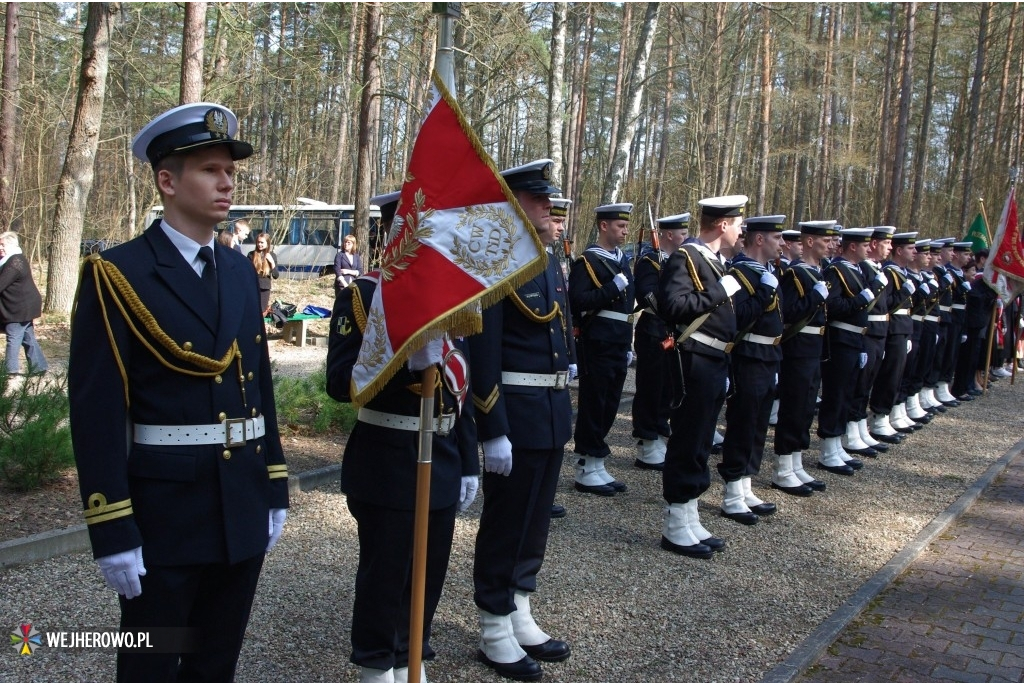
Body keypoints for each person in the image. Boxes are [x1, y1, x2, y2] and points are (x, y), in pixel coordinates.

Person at [68, 102, 289, 682]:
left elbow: (257, 386)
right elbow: (95, 412)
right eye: (210, 170)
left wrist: (274, 482)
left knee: (217, 661)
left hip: (239, 499)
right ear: (167, 181)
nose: (226, 183)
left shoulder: (240, 271)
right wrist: (111, 526)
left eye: (231, 171)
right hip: (165, 511)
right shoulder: (118, 274)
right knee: (155, 662)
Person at [326, 190, 479, 684]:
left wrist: (470, 458)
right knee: (386, 573)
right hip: (388, 457)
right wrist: (399, 357)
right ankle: (375, 666)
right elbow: (338, 381)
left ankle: (410, 660)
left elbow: (461, 386)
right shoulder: (364, 295)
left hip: (444, 450)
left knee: (429, 574)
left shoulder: (451, 297)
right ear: (396, 236)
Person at [469, 159, 575, 682]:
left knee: (533, 526)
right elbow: (483, 352)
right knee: (506, 524)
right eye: (539, 200)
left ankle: (519, 608)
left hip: (550, 412)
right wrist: (492, 428)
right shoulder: (497, 260)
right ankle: (493, 625)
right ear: (512, 202)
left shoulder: (548, 260)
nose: (548, 208)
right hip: (514, 413)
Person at [656, 194, 746, 559]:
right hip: (694, 360)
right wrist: (716, 292)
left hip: (713, 360)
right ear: (722, 224)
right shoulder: (686, 258)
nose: (742, 232)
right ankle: (675, 523)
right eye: (738, 225)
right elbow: (672, 306)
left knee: (702, 441)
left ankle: (689, 515)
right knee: (688, 439)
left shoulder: (713, 261)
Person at [717, 215, 787, 525]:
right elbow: (736, 318)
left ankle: (746, 484)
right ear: (759, 240)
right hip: (747, 356)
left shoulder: (767, 273)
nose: (783, 243)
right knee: (743, 423)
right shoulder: (741, 273)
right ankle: (732, 492)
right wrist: (763, 295)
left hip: (768, 355)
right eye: (777, 238)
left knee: (758, 425)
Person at [568, 202, 635, 496]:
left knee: (610, 402)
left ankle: (597, 461)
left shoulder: (622, 260)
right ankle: (585, 463)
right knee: (595, 402)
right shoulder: (588, 262)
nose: (625, 231)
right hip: (597, 341)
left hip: (619, 339)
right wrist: (613, 287)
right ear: (604, 226)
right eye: (620, 226)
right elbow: (578, 300)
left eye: (626, 226)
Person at [817, 227, 887, 475]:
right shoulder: (837, 270)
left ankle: (837, 445)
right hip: (840, 340)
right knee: (835, 395)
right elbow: (832, 306)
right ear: (853, 247)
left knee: (847, 393)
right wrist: (862, 298)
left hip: (855, 339)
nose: (870, 249)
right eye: (865, 245)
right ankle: (827, 448)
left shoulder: (857, 270)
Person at [771, 220, 834, 496]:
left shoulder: (818, 272)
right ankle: (783, 467)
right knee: (794, 406)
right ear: (810, 241)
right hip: (797, 348)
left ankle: (795, 462)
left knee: (807, 406)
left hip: (814, 346)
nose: (831, 244)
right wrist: (814, 298)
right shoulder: (795, 274)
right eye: (826, 240)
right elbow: (790, 313)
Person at [631, 213, 690, 471]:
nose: (685, 238)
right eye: (682, 233)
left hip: (671, 330)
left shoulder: (679, 261)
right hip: (654, 328)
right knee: (651, 386)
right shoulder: (649, 260)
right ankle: (647, 440)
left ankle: (659, 427)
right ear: (668, 234)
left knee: (668, 385)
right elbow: (647, 294)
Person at [0, 230, 49, 376]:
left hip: (19, 308)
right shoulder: (7, 260)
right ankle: (39, 367)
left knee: (13, 337)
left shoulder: (16, 261)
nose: (0, 248)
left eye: (2, 245)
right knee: (28, 337)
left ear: (11, 245)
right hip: (18, 306)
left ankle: (10, 371)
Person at [248, 232, 279, 316]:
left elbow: (276, 275)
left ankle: (260, 328)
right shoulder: (251, 255)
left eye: (262, 242)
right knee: (251, 311)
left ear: (267, 243)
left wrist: (272, 263)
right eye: (258, 242)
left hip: (264, 288)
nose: (259, 244)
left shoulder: (272, 255)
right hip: (253, 287)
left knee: (261, 312)